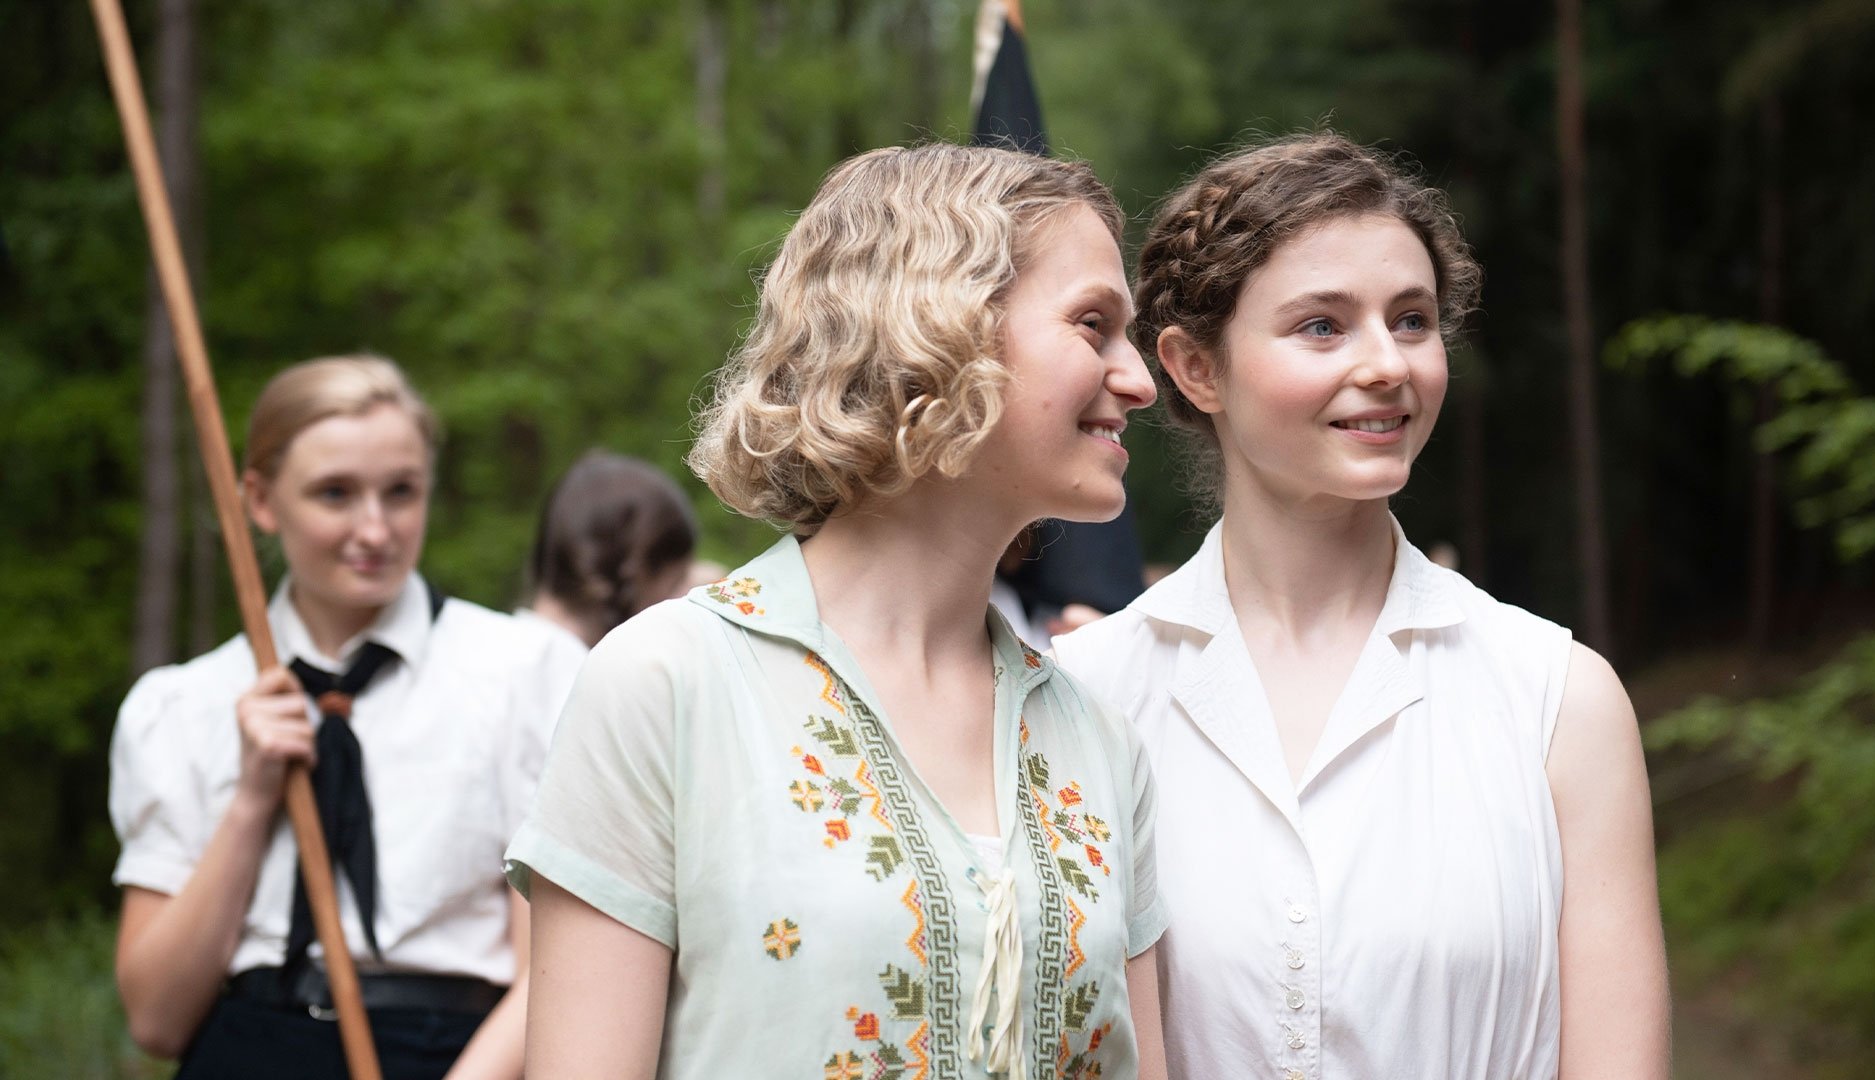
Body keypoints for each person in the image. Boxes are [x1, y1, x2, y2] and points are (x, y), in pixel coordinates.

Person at [504, 143, 1169, 1079]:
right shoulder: (669, 684)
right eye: (1093, 325)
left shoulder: (1098, 741)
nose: (1140, 379)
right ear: (935, 328)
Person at [1050, 133, 1670, 1080]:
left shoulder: (1558, 701)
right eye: (1322, 326)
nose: (1388, 364)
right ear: (1195, 368)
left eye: (1412, 320)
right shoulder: (1082, 699)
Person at [108, 355, 585, 1079]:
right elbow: (156, 1020)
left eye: (401, 492)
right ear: (261, 501)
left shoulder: (528, 673)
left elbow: (554, 970)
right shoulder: (180, 706)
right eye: (335, 494)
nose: (375, 530)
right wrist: (251, 801)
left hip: (453, 1054)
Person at [523, 449, 699, 647]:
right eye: (676, 583)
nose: (684, 596)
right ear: (636, 571)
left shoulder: (508, 647)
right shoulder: (578, 665)